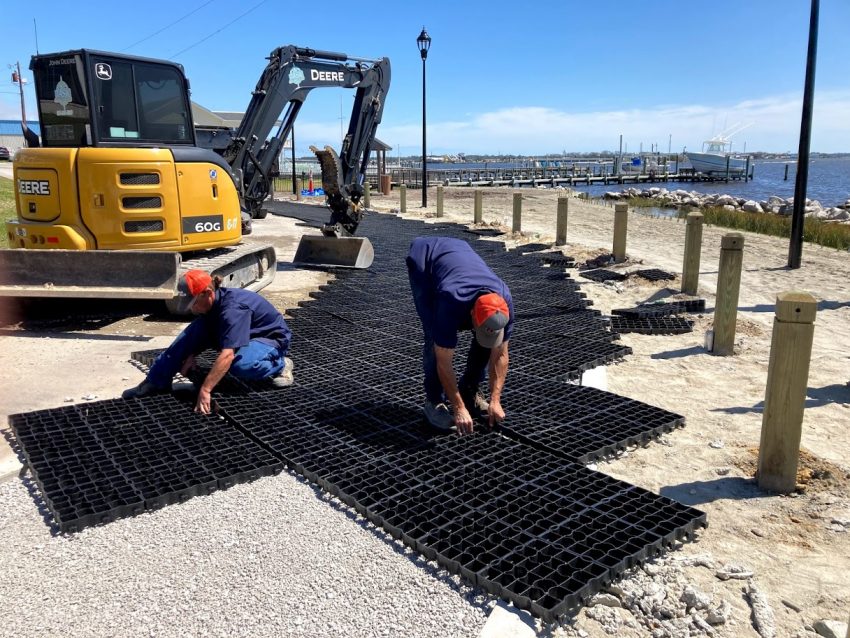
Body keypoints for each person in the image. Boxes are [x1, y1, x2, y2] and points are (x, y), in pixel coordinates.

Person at [122, 269, 293, 413]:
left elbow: (227, 355)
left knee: (242, 366)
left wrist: (205, 389)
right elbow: (196, 337)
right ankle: (156, 382)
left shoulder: (233, 310)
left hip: (268, 338)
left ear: (208, 294)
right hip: (238, 330)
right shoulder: (210, 306)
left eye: (194, 303)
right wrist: (190, 353)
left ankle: (280, 364)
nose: (191, 308)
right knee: (181, 343)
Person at [406, 237, 513, 435]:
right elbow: (443, 361)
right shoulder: (450, 300)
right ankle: (434, 401)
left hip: (460, 254)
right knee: (433, 337)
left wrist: (495, 400)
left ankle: (469, 388)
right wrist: (458, 408)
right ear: (472, 314)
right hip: (425, 261)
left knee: (487, 340)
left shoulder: (504, 302)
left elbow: (500, 355)